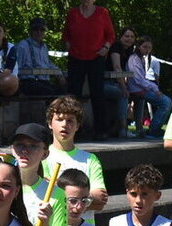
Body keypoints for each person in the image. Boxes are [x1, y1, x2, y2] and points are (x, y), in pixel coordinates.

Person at [44, 95, 109, 220]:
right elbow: (43, 197)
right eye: (59, 119)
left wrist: (58, 190)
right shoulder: (43, 157)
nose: (64, 125)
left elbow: (100, 199)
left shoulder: (90, 159)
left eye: (70, 121)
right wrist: (85, 198)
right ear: (50, 123)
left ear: (77, 125)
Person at [62, 0, 114, 139]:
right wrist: (69, 46)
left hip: (96, 57)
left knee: (97, 94)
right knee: (73, 95)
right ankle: (73, 131)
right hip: (76, 58)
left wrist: (106, 48)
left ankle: (101, 131)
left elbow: (110, 35)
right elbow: (66, 35)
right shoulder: (73, 13)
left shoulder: (102, 13)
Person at [127, 36, 172, 139]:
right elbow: (139, 80)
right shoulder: (134, 59)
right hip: (137, 89)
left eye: (149, 48)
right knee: (166, 102)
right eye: (145, 47)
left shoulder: (142, 58)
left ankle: (154, 129)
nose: (147, 50)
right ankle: (154, 130)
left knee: (166, 101)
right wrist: (155, 88)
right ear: (139, 46)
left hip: (140, 88)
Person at [15, 17, 65, 96]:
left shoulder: (44, 47)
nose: (39, 32)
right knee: (48, 92)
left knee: (65, 91)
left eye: (42, 30)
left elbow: (48, 64)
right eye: (36, 29)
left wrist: (59, 73)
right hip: (29, 82)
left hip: (44, 82)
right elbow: (15, 68)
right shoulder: (23, 46)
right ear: (30, 31)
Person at [102, 26, 135, 138]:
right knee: (123, 94)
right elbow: (117, 68)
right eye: (126, 36)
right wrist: (124, 88)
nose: (129, 39)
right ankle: (122, 129)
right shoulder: (116, 47)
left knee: (138, 95)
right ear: (121, 37)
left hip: (115, 83)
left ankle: (139, 127)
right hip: (105, 83)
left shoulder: (129, 51)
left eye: (132, 37)